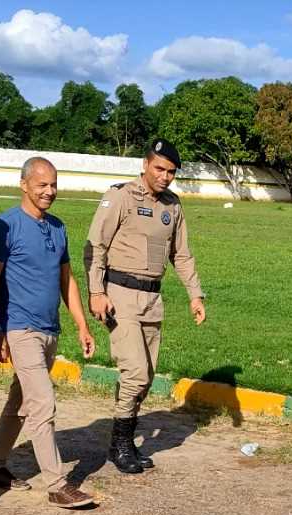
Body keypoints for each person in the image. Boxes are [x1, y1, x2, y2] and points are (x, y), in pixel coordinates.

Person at [84, 139, 206, 474]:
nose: (165, 177)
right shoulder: (120, 196)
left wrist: (195, 294)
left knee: (147, 376)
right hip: (119, 294)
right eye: (159, 168)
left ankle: (123, 439)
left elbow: (181, 255)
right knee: (136, 373)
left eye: (171, 172)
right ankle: (120, 444)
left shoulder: (173, 206)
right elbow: (96, 246)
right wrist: (96, 292)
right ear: (145, 164)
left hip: (152, 298)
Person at [0, 157, 97, 508]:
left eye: (54, 185)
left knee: (21, 400)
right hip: (20, 327)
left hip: (50, 328)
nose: (49, 192)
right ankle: (57, 484)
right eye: (42, 185)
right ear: (24, 185)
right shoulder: (5, 226)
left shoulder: (58, 228)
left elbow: (67, 280)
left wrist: (81, 325)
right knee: (42, 403)